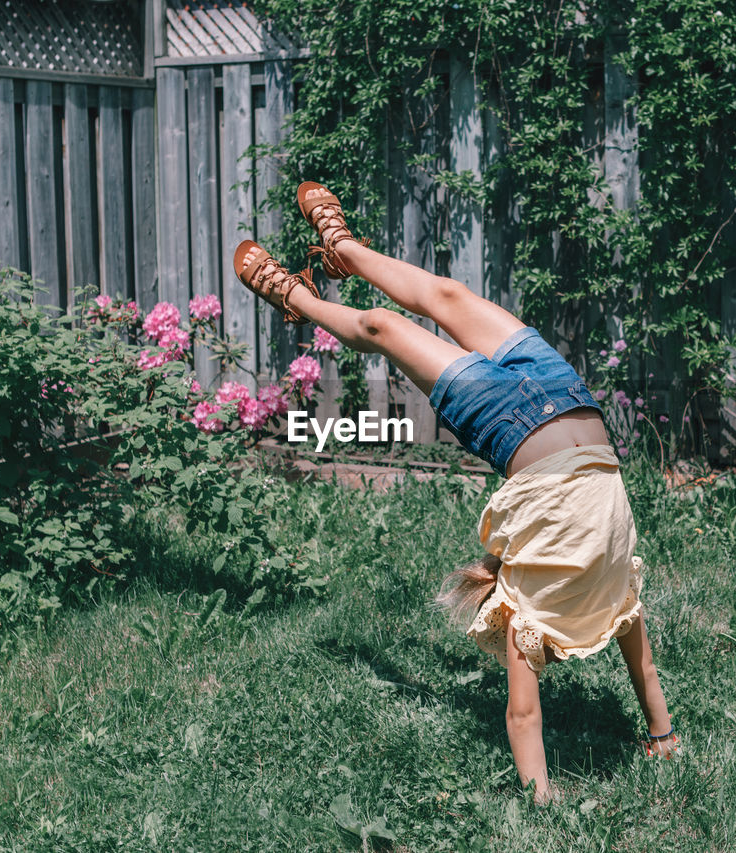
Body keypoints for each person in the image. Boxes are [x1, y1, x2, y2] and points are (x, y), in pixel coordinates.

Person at [234, 182, 680, 804]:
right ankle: (342, 247)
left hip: (507, 422)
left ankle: (297, 297)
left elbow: (523, 720)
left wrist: (542, 804)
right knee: (450, 296)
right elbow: (644, 667)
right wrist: (662, 733)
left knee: (381, 327)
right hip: (568, 390)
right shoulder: (619, 593)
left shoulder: (530, 615)